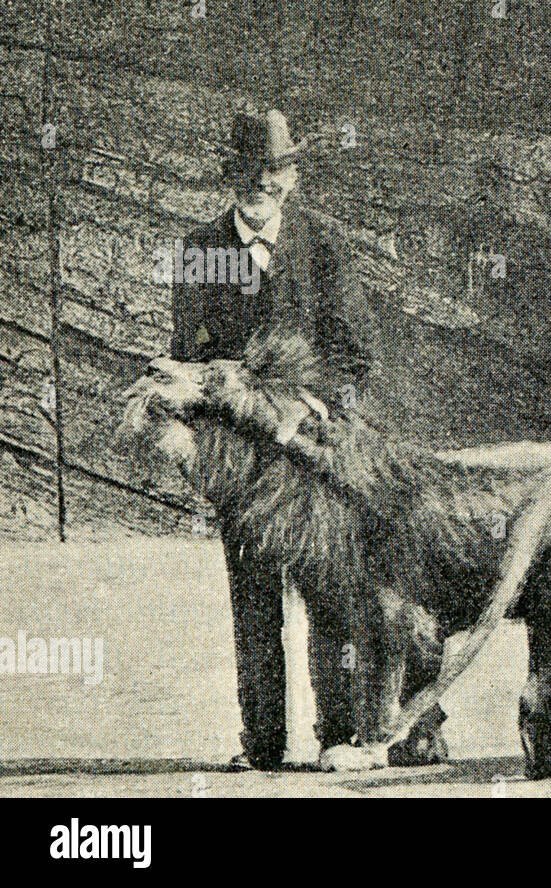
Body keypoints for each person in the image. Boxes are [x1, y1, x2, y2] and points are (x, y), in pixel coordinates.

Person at [171, 108, 378, 769]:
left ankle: (340, 736)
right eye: (246, 172)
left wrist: (316, 406)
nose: (259, 183)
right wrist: (216, 396)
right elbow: (187, 351)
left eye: (273, 171)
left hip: (311, 448)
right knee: (253, 598)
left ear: (291, 176)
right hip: (240, 456)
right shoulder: (200, 248)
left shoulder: (322, 246)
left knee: (328, 592)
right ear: (230, 176)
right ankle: (260, 746)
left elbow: (355, 351)